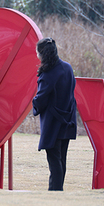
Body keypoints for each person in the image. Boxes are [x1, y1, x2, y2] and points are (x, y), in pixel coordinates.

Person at [32, 37, 78, 191]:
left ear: (42, 54)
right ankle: (59, 191)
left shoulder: (48, 74)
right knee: (61, 160)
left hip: (53, 123)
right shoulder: (68, 68)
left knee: (54, 160)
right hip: (68, 119)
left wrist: (34, 103)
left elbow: (41, 99)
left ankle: (55, 192)